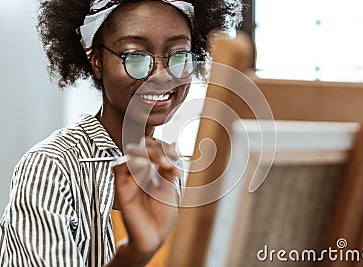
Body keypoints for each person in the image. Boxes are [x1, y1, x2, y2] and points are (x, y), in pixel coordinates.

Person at [0, 0, 243, 266]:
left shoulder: (184, 174)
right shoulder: (51, 168)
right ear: (97, 62)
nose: (162, 75)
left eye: (178, 56)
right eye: (136, 56)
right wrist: (136, 252)